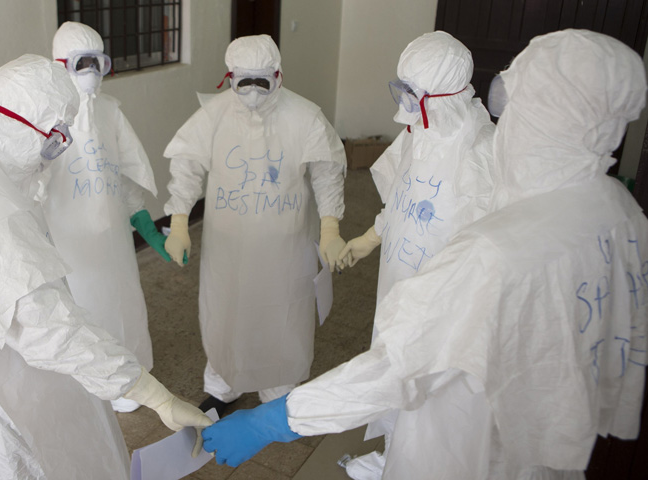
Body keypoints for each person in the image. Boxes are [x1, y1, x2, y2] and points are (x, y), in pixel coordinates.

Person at [201, 29, 648, 480]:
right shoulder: (621, 213)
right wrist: (372, 237)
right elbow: (404, 198)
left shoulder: (496, 245)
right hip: (538, 425)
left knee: (428, 416)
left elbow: (403, 364)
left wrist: (280, 419)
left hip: (466, 442)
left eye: (510, 104)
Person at [0, 54, 211, 480]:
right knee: (49, 461)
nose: (55, 152)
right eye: (54, 138)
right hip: (23, 382)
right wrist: (155, 395)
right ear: (20, 125)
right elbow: (50, 331)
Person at [335, 31, 495, 477]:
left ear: (442, 96)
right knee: (394, 367)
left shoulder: (482, 154)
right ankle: (392, 454)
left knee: (434, 386)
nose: (401, 106)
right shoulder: (418, 133)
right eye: (400, 90)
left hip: (447, 301)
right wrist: (371, 237)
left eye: (411, 94)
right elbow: (402, 201)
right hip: (398, 281)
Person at [162, 34, 347, 414]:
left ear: (277, 75)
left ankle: (278, 384)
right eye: (242, 82)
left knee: (282, 310)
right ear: (229, 77)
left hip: (286, 246)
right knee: (225, 309)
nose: (252, 93)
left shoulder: (305, 116)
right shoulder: (214, 115)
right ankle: (223, 382)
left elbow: (328, 174)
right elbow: (187, 164)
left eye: (261, 82)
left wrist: (330, 227)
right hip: (227, 244)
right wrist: (179, 219)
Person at [46, 21, 166, 413]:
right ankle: (82, 383)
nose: (92, 73)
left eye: (98, 62)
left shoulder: (110, 112)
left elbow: (123, 175)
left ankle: (125, 379)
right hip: (66, 243)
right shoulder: (41, 120)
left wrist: (146, 224)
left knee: (120, 305)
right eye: (83, 62)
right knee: (77, 309)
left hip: (113, 242)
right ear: (60, 64)